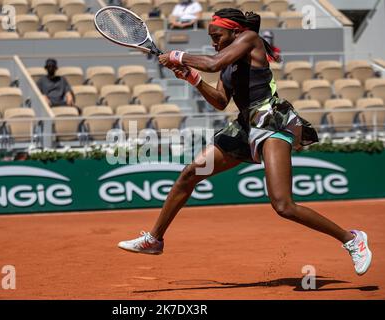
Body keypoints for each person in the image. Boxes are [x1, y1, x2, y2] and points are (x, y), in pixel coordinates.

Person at [117, 9, 373, 276]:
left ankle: (352, 238)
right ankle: (155, 239)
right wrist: (191, 78)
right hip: (244, 126)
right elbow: (220, 100)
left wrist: (178, 55)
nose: (214, 42)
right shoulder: (227, 61)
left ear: (235, 32)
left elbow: (213, 62)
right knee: (190, 174)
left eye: (218, 36)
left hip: (272, 121)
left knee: (283, 205)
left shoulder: (250, 39)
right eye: (211, 37)